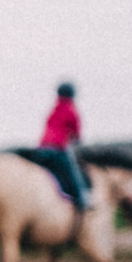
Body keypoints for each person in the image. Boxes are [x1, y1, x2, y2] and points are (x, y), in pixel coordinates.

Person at [31, 81, 89, 210]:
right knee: (74, 172)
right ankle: (82, 199)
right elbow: (77, 135)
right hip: (57, 149)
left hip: (42, 149)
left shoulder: (53, 109)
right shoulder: (71, 110)